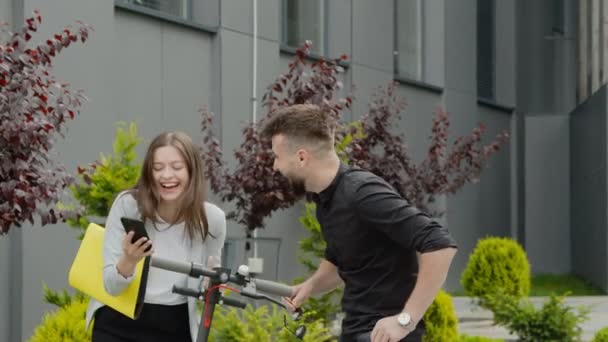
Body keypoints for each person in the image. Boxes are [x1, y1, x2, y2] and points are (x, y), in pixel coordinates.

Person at [261, 104, 458, 342]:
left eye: (277, 157)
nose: (275, 167)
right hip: (356, 330)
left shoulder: (362, 192)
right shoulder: (326, 199)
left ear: (302, 157)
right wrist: (310, 286)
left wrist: (406, 319)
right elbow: (340, 261)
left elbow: (440, 245)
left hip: (385, 336)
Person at [85, 131, 226, 342]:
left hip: (174, 324)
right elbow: (111, 287)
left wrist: (211, 282)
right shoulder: (128, 206)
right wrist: (129, 261)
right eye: (157, 168)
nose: (166, 175)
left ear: (192, 171)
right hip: (119, 317)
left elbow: (211, 285)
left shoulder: (211, 219)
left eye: (177, 167)